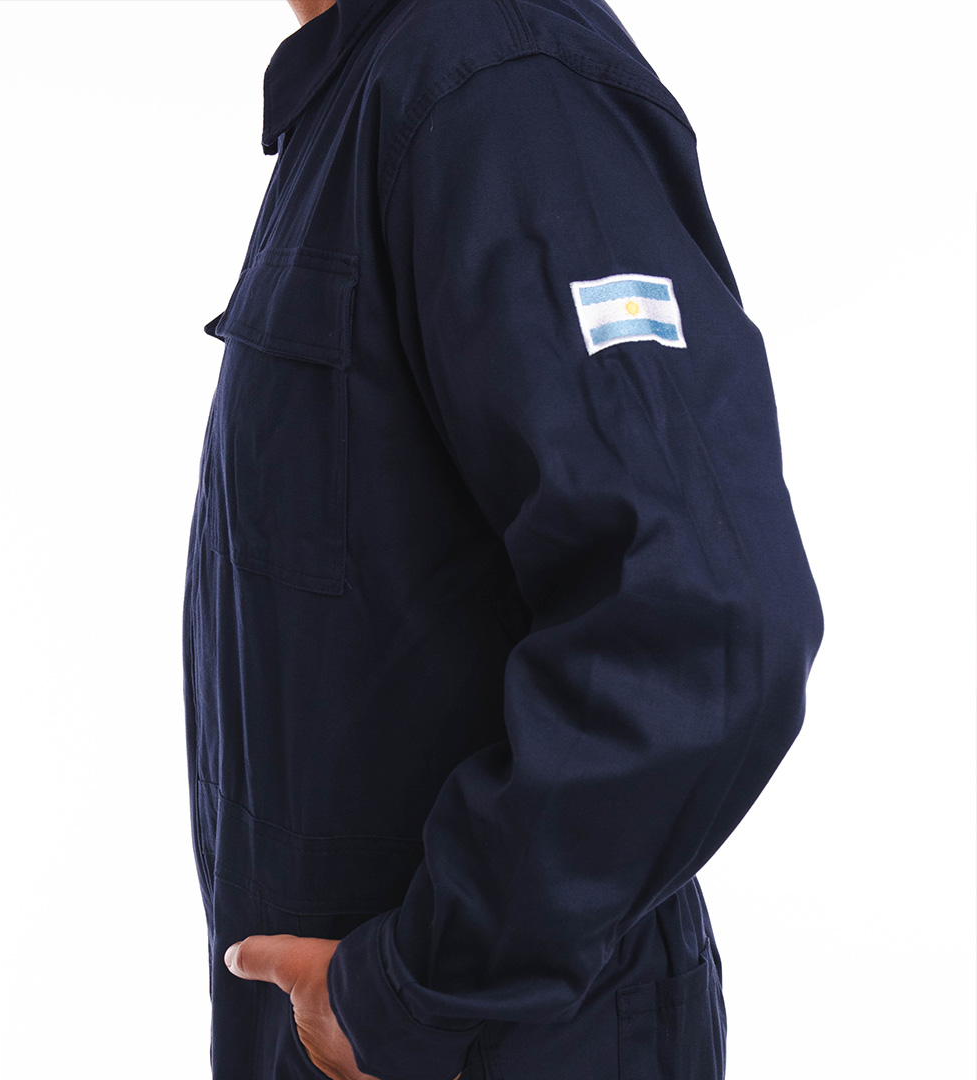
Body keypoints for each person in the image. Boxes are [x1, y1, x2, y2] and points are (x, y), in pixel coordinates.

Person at [181, 0, 825, 1077]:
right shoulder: (374, 94)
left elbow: (704, 620)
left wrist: (414, 986)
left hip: (488, 1042)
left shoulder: (502, 84)